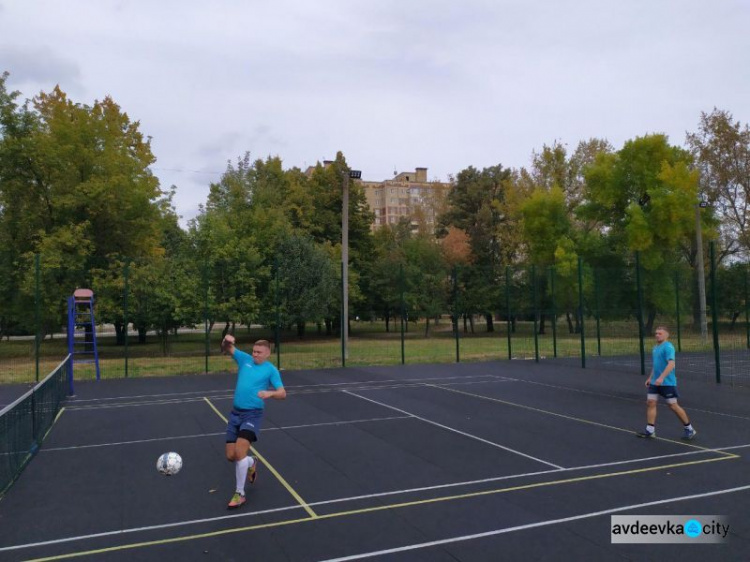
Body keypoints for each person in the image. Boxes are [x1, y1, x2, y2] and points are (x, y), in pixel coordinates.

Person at [221, 335, 286, 509]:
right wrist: (227, 340)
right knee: (231, 456)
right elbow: (227, 347)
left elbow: (282, 393)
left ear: (267, 354)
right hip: (235, 414)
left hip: (252, 415)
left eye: (259, 352)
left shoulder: (271, 370)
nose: (255, 354)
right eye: (254, 351)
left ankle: (239, 493)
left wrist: (269, 393)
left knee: (240, 452)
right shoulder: (244, 359)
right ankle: (251, 462)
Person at [636, 326, 696, 440]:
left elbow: (671, 364)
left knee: (673, 405)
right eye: (656, 333)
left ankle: (689, 428)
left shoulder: (668, 347)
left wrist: (662, 378)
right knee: (650, 402)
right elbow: (656, 365)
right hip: (655, 382)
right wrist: (650, 378)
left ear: (666, 335)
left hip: (667, 382)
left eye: (660, 333)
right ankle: (650, 430)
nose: (657, 335)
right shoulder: (655, 347)